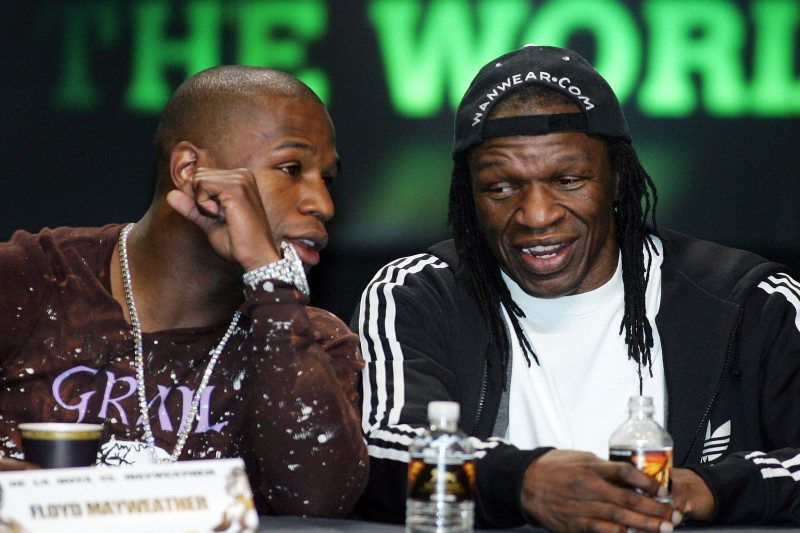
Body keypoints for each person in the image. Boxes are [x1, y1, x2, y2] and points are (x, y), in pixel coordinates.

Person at [353, 45, 800, 531]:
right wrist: (523, 483)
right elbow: (379, 457)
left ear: (617, 180)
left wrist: (712, 488)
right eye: (500, 187)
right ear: (469, 196)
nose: (536, 215)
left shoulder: (752, 302)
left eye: (567, 180)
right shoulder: (417, 294)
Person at [0, 65, 368, 517]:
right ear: (191, 170)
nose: (323, 204)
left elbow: (320, 504)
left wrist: (269, 276)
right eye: (291, 169)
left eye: (327, 179)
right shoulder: (30, 278)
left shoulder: (310, 341)